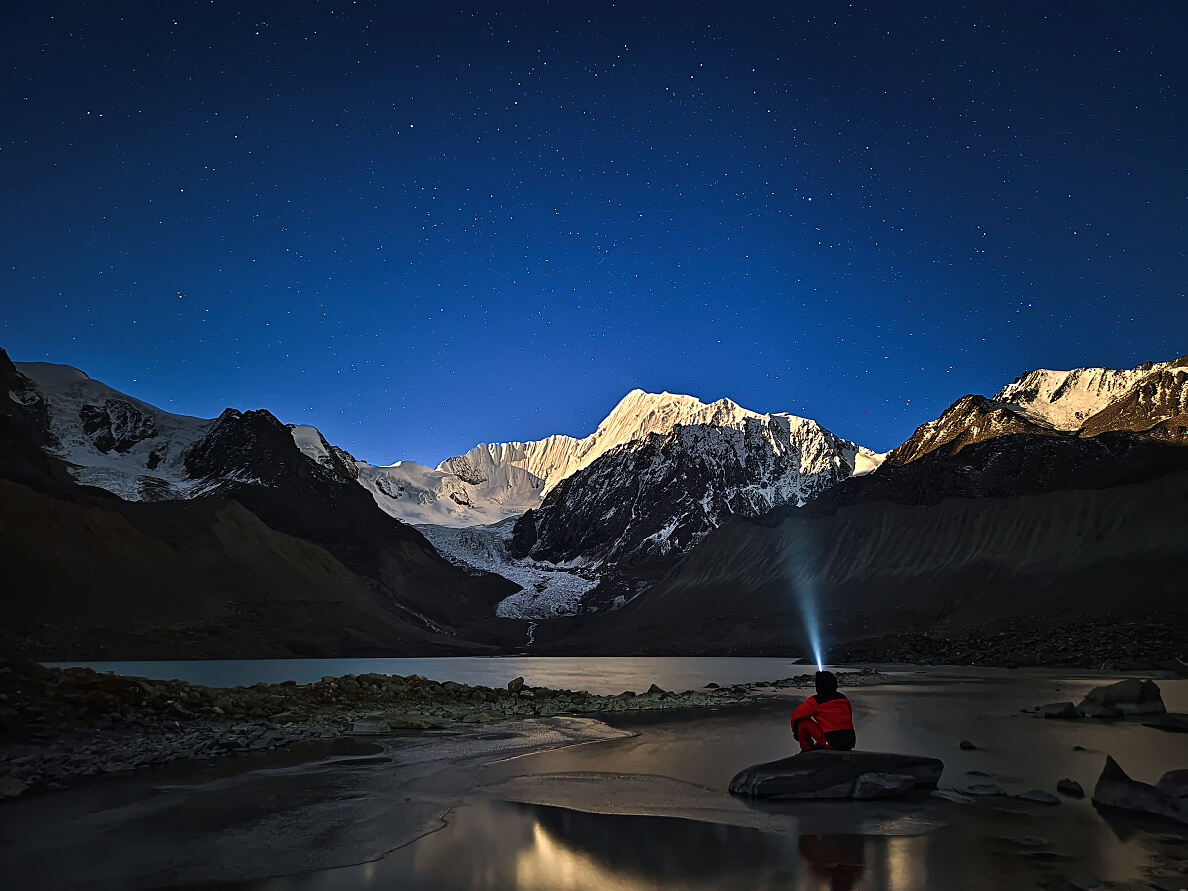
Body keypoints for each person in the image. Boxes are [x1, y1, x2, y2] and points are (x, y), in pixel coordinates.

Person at [791, 670, 856, 752]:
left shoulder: (816, 701)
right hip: (850, 742)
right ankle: (825, 743)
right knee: (828, 723)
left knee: (802, 722)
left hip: (833, 743)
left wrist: (796, 733)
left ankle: (806, 750)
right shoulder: (843, 698)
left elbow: (796, 716)